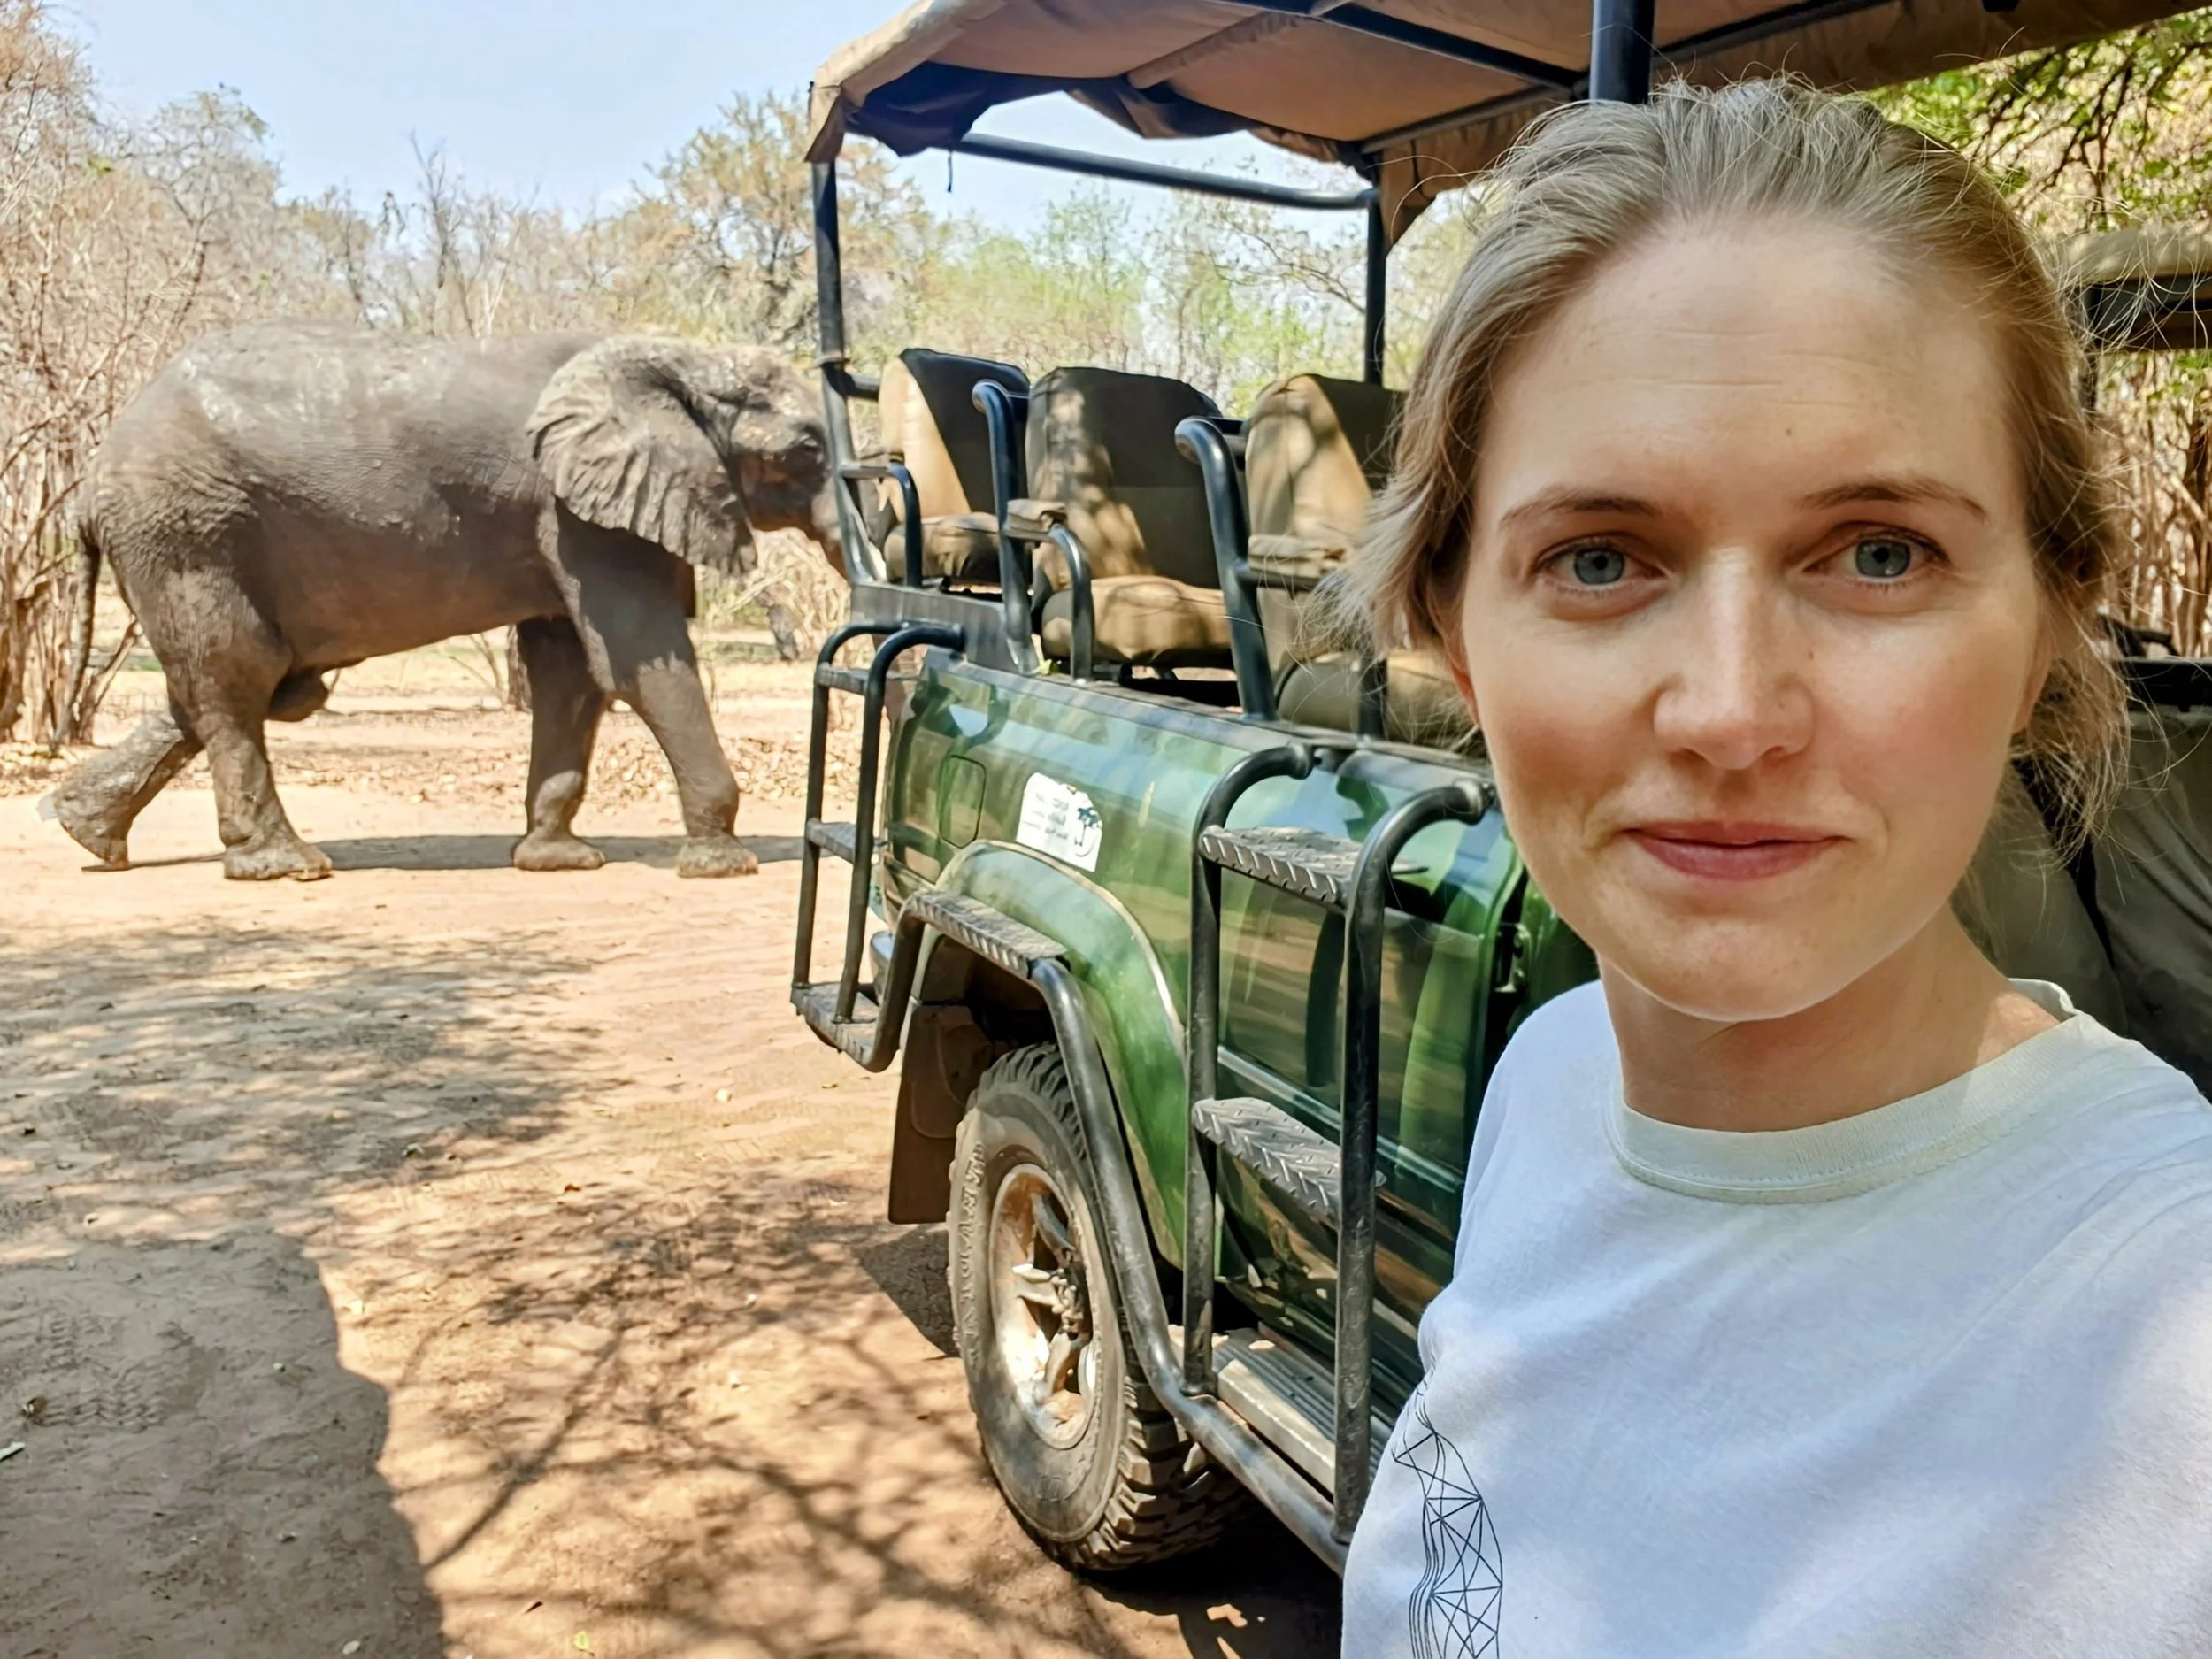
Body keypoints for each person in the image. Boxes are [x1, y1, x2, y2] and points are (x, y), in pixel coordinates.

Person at [1340, 79, 2212, 1657]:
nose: (1732, 710)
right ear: (1453, 633)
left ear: (2048, 628)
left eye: (1880, 553)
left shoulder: (2175, 1332)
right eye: (1600, 559)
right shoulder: (1548, 1084)